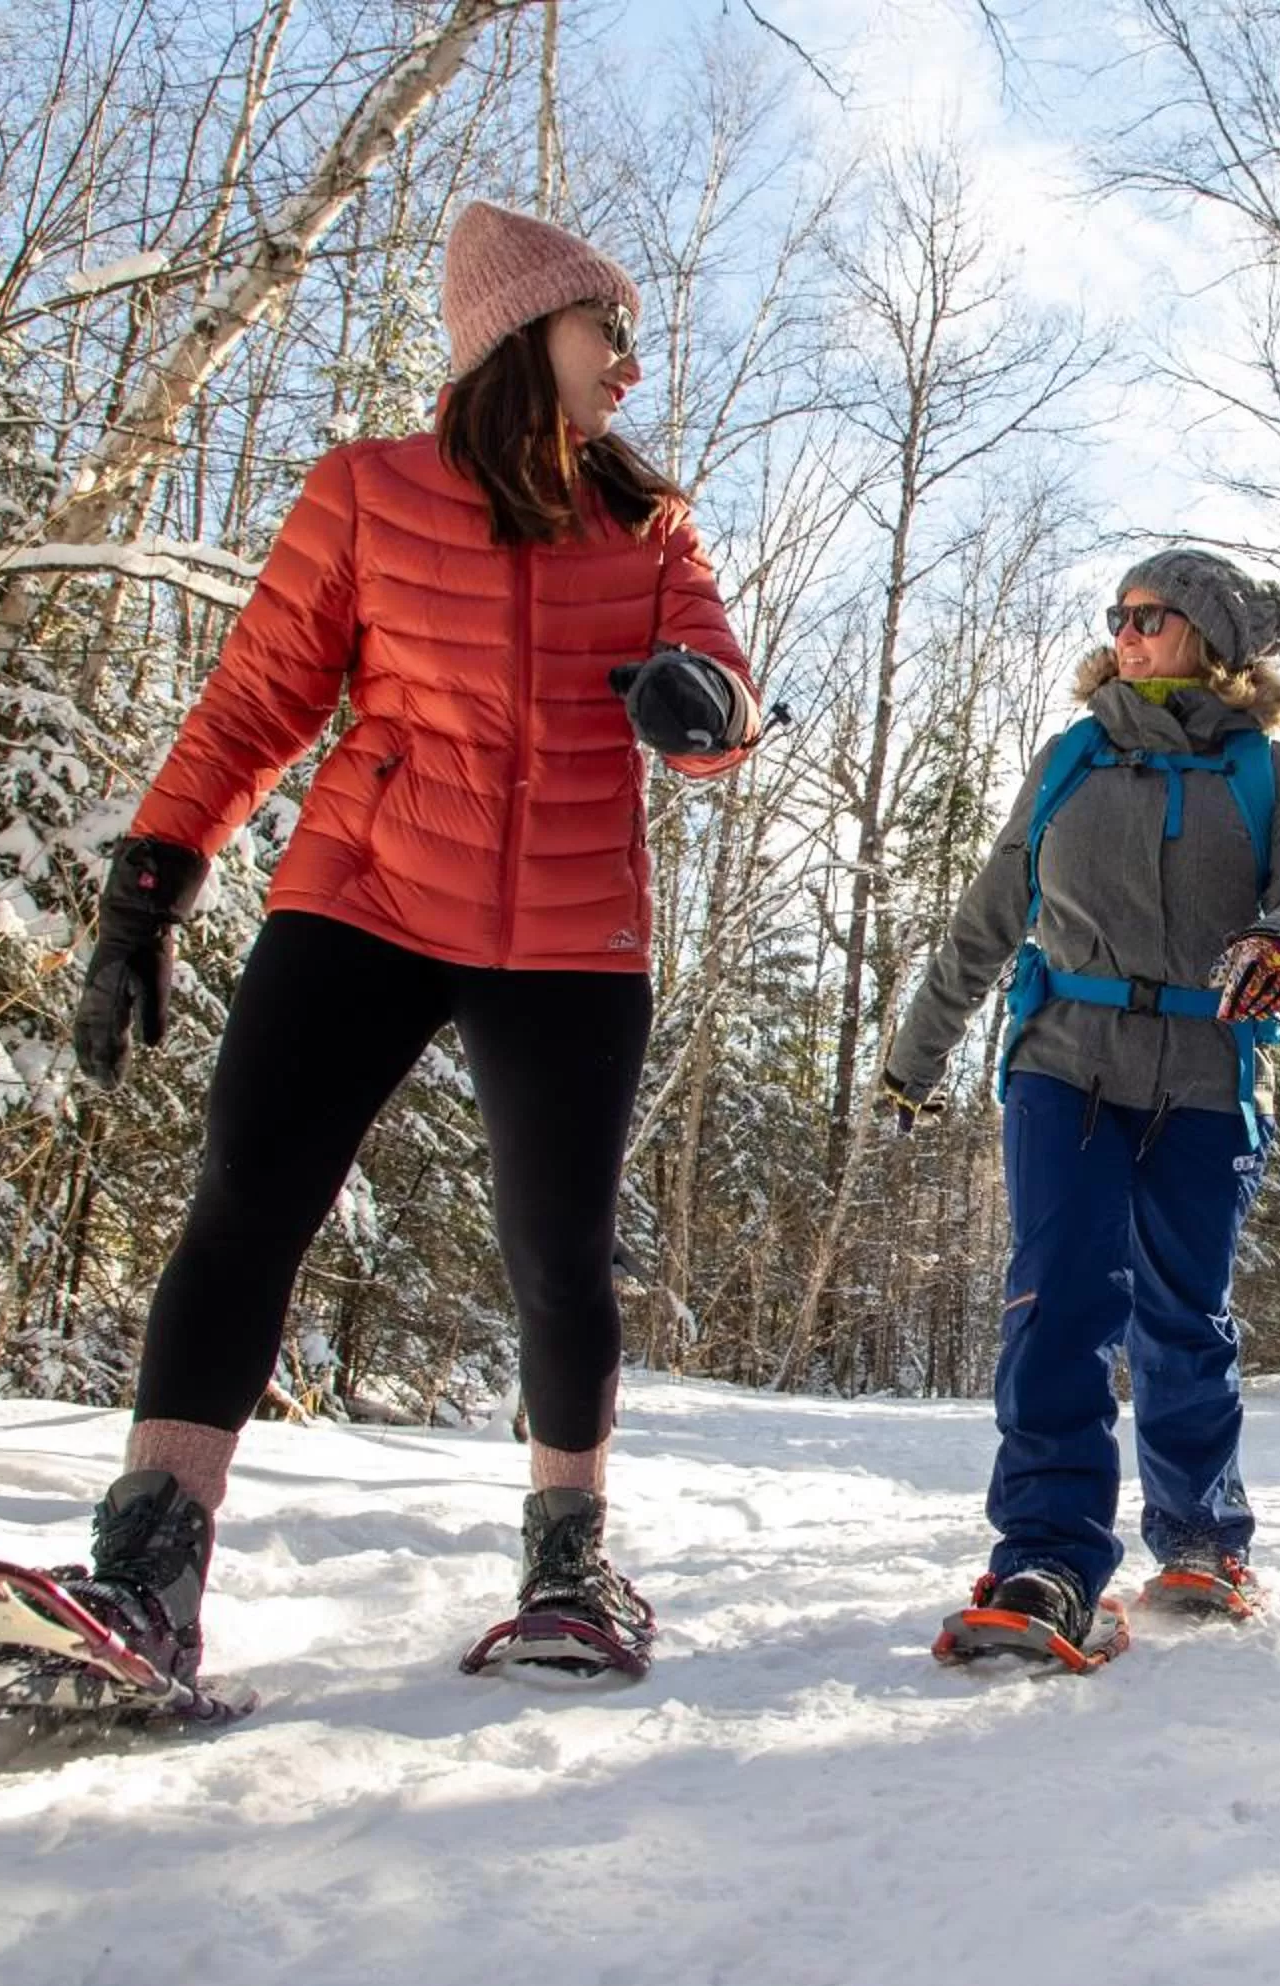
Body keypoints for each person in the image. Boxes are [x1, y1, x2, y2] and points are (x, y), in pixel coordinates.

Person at [47, 200, 762, 1693]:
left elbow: (721, 685)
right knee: (248, 1198)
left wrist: (708, 703)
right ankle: (148, 1572)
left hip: (570, 934)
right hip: (364, 893)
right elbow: (257, 705)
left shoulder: (646, 528)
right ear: (521, 330)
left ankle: (570, 1561)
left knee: (560, 1256)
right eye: (605, 330)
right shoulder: (366, 494)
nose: (630, 365)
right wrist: (152, 882)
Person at [880, 549, 1280, 1670]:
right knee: (1060, 1304)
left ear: (1213, 639)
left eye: (1156, 615)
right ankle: (1048, 1559)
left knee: (1185, 1318)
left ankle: (1201, 1538)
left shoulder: (1266, 773)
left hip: (1207, 1074)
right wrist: (916, 1054)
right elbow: (987, 917)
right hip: (1066, 1064)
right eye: (1121, 614)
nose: (1128, 631)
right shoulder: (1072, 756)